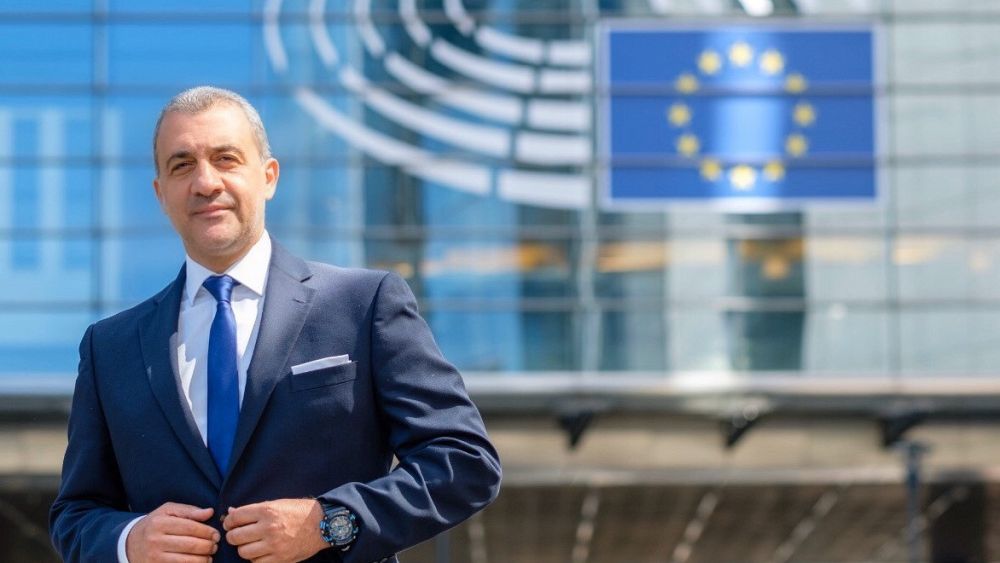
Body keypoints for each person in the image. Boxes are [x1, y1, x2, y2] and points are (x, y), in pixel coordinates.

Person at [49, 86, 502, 563]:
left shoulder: (364, 304)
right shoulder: (110, 347)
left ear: (268, 177)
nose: (205, 182)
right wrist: (129, 540)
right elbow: (76, 514)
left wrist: (329, 522)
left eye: (226, 159)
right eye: (182, 165)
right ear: (161, 193)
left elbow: (463, 461)